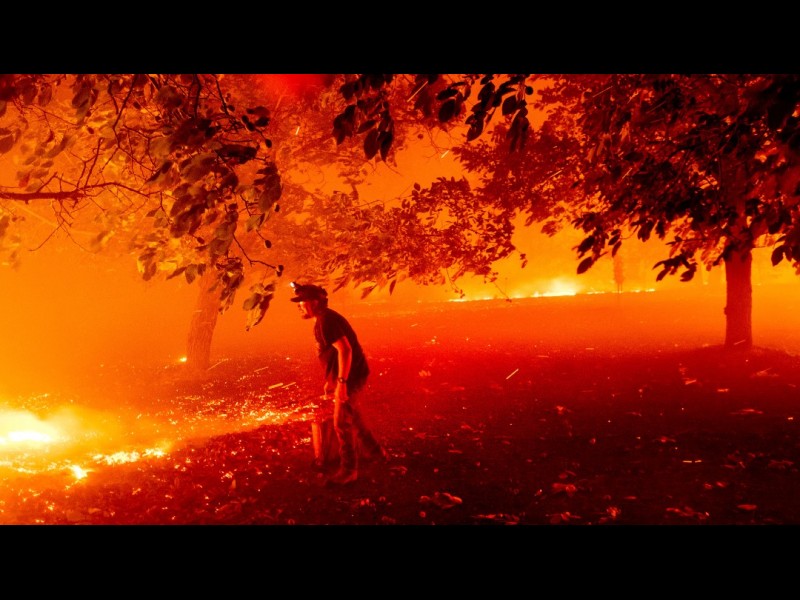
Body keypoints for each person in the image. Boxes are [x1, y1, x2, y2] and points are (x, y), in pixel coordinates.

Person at [290, 281, 387, 486]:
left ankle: (349, 470)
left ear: (315, 302)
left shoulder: (327, 321)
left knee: (341, 423)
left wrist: (342, 382)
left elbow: (345, 350)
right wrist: (331, 380)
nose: (299, 306)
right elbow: (333, 354)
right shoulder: (324, 319)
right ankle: (377, 454)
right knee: (355, 418)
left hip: (351, 377)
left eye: (302, 302)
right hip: (349, 375)